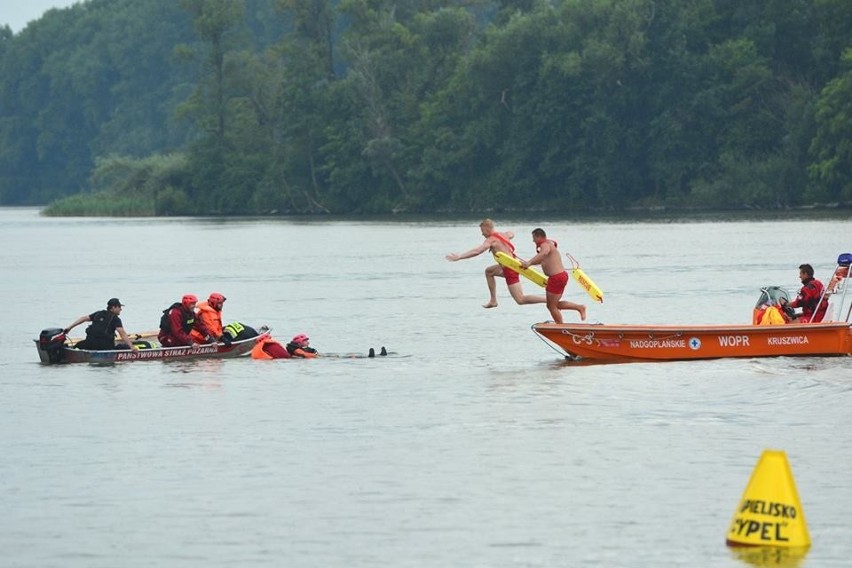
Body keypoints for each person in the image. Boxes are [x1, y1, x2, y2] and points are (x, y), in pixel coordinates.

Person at [446, 218, 558, 309]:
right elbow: (511, 233)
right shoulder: (504, 235)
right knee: (489, 271)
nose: (482, 234)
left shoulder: (491, 240)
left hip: (510, 269)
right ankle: (493, 300)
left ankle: (549, 300)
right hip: (510, 265)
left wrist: (459, 257)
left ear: (487, 228)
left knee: (520, 299)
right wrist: (509, 234)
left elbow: (477, 251)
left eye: (482, 231)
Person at [520, 228, 586, 324]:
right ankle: (579, 307)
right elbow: (541, 259)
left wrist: (529, 263)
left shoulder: (545, 244)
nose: (533, 240)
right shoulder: (549, 245)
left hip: (556, 278)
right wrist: (526, 264)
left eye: (533, 238)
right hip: (560, 276)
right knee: (554, 305)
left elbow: (544, 253)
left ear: (539, 236)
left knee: (551, 306)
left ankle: (560, 326)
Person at [63, 298, 138, 350]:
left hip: (90, 343)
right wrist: (131, 347)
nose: (121, 309)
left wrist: (70, 327)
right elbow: (122, 334)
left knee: (78, 346)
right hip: (105, 346)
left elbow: (83, 318)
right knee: (124, 347)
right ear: (113, 307)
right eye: (119, 307)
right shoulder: (116, 319)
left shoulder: (98, 313)